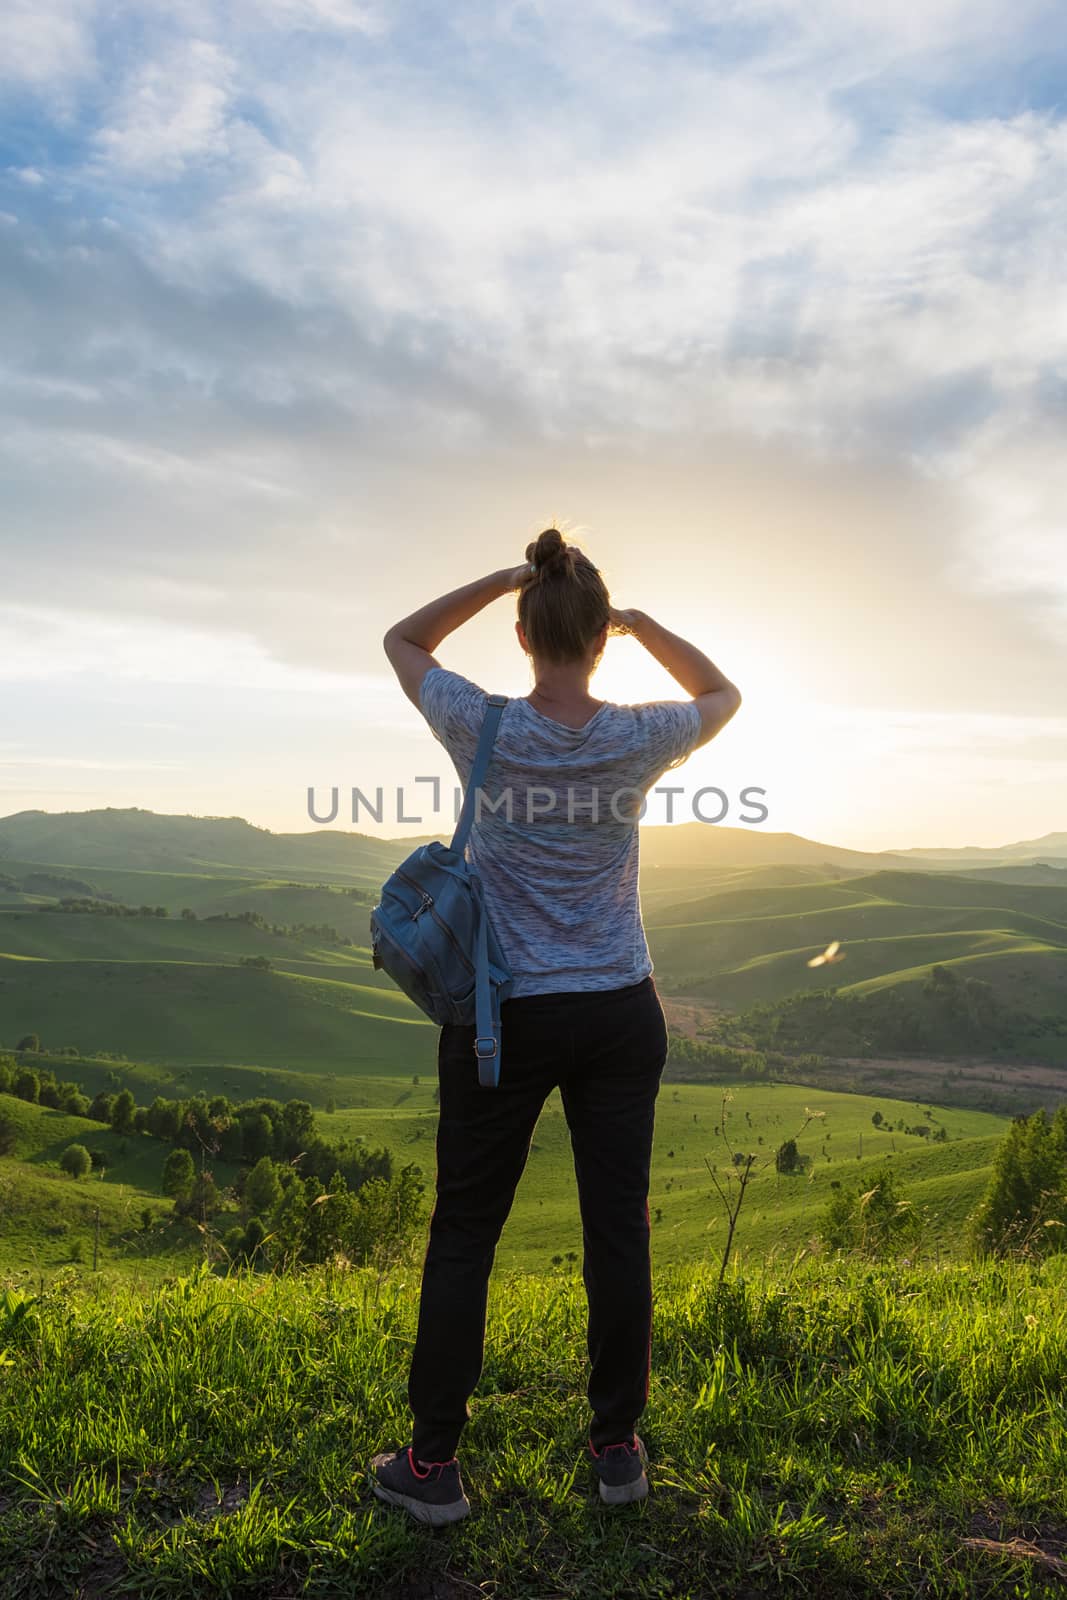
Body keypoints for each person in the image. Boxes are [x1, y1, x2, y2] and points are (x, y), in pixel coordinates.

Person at [369, 527, 741, 1524]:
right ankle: (616, 1448)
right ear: (598, 637)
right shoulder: (638, 734)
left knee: (464, 1237)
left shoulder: (479, 724)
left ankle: (433, 1465)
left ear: (527, 631)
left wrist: (496, 582)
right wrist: (647, 623)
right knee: (616, 1229)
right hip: (620, 1007)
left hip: (503, 1017)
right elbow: (721, 695)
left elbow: (404, 641)